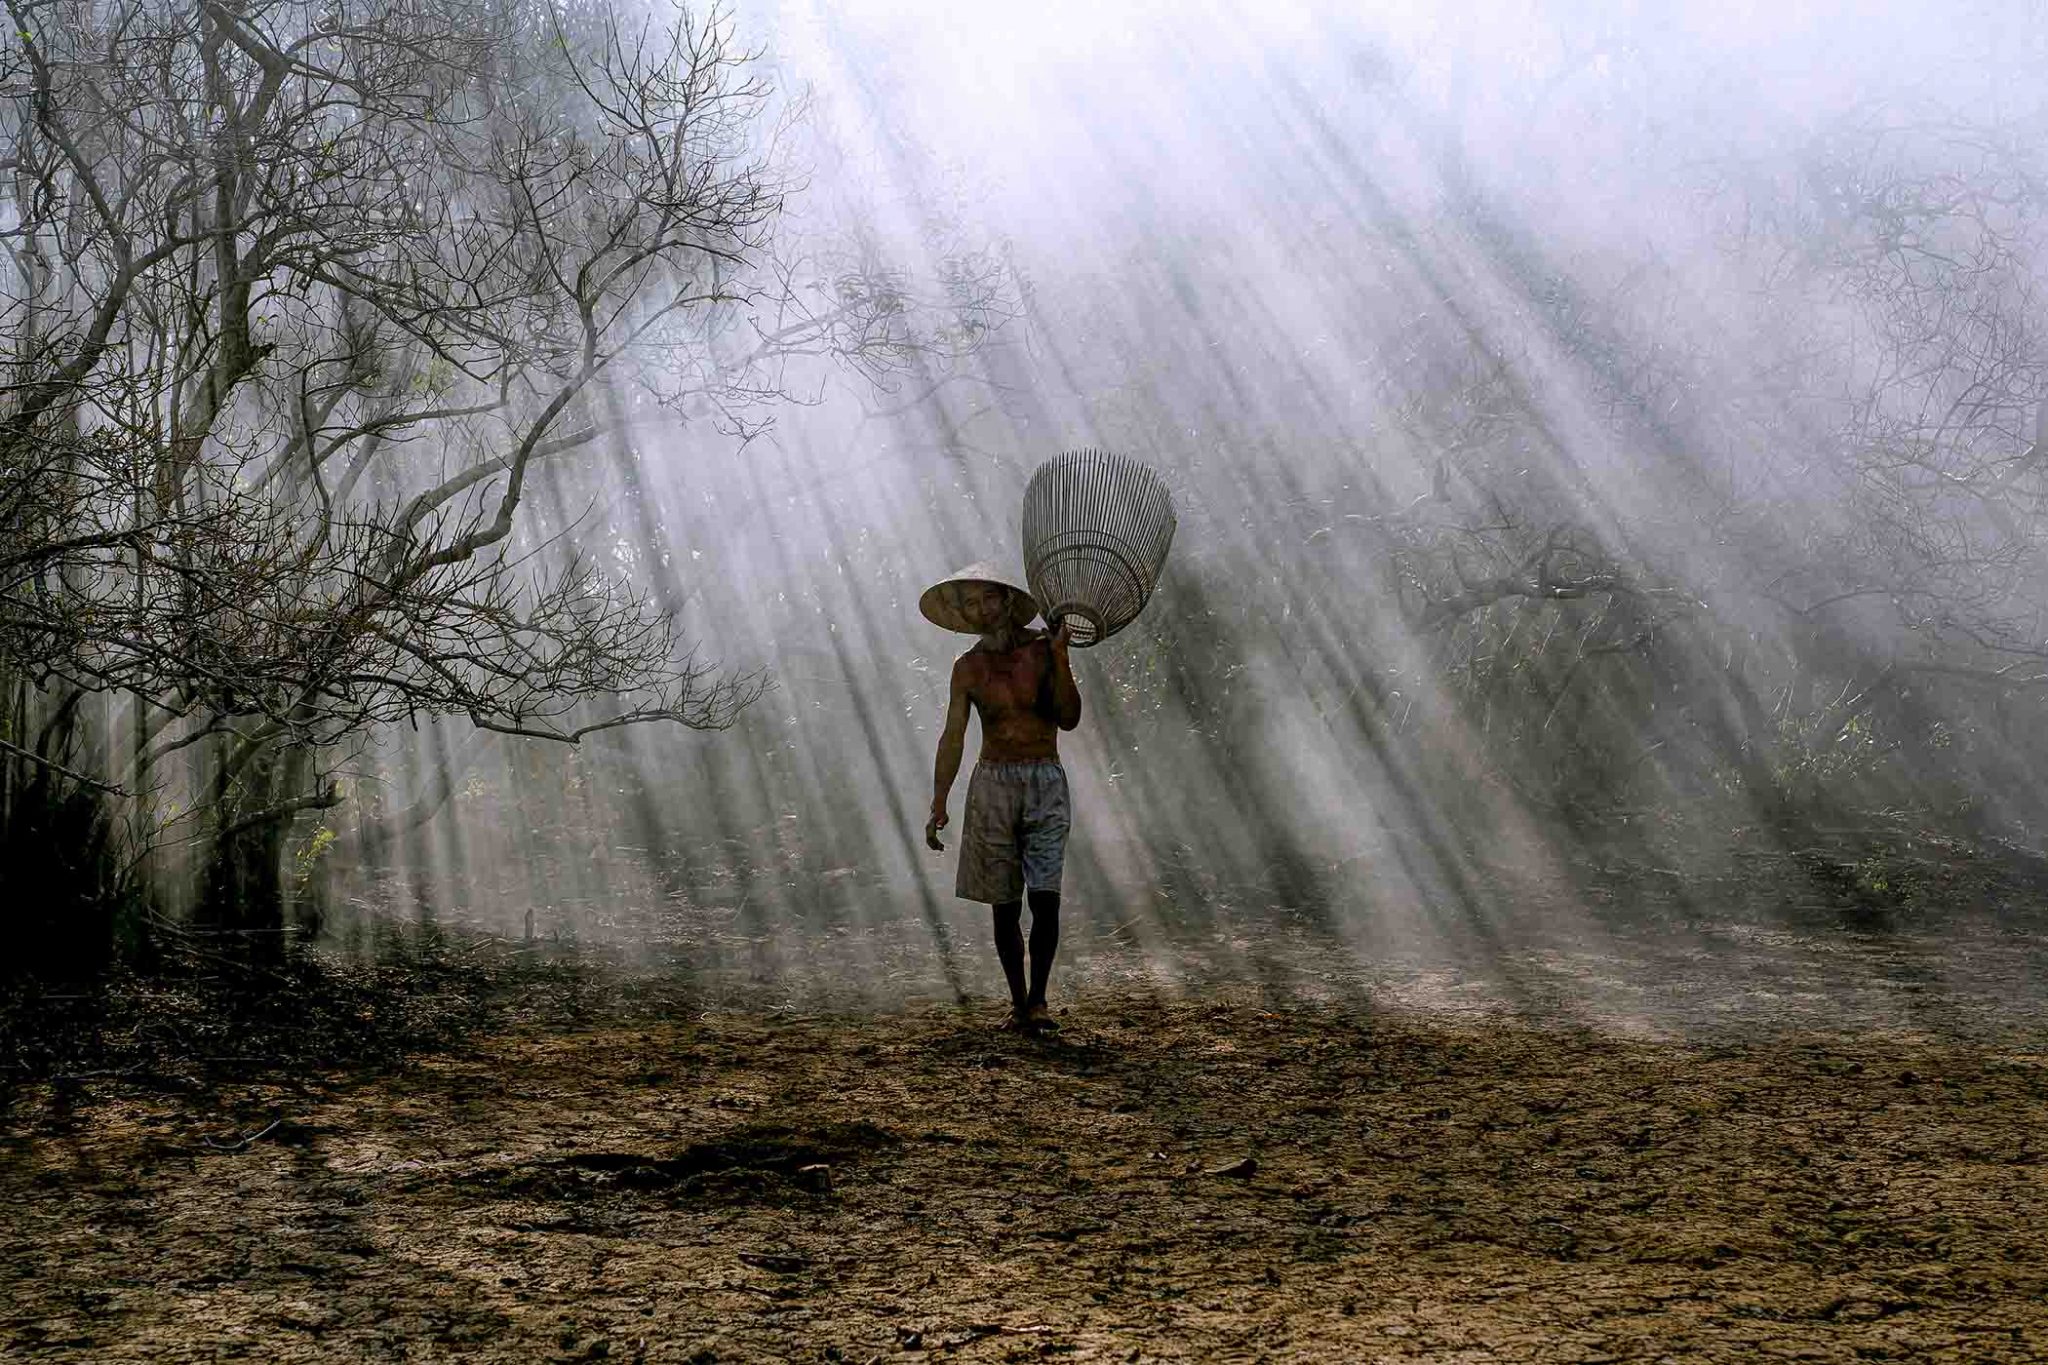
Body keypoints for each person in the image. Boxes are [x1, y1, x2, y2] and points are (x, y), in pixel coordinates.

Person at [920, 568, 1082, 1033]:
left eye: (987, 598)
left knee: (1045, 896)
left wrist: (1060, 654)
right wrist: (939, 801)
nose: (981, 610)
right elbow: (954, 736)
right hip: (992, 783)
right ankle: (1018, 1004)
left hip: (1044, 778)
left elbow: (1069, 718)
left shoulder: (1042, 649)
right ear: (965, 616)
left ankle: (1039, 1001)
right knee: (1004, 902)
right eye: (970, 605)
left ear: (1007, 601)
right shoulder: (968, 668)